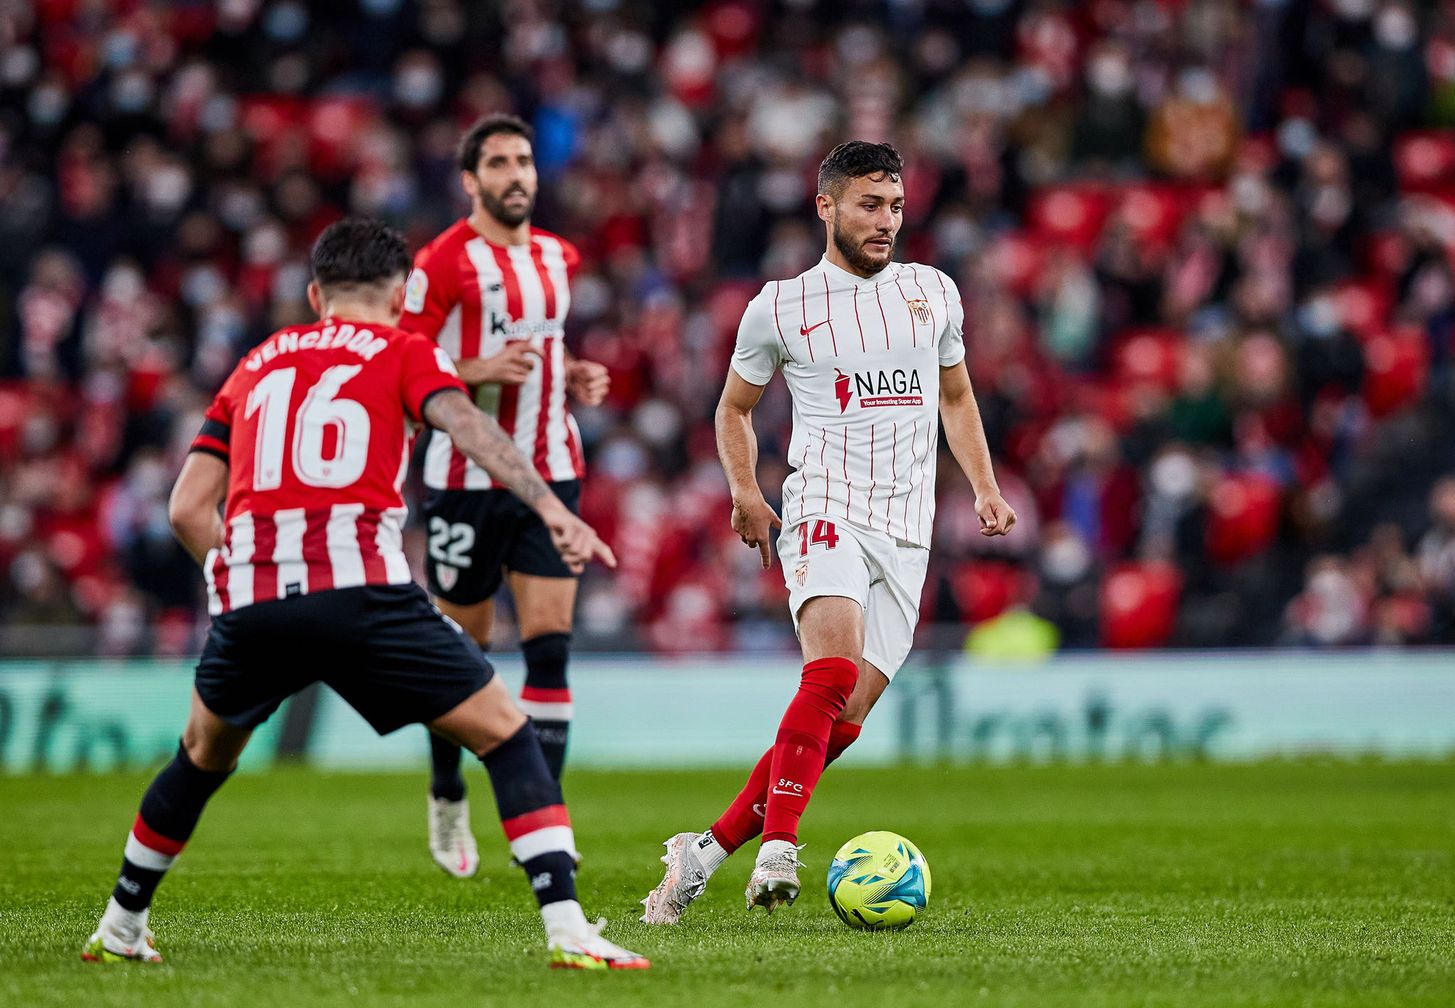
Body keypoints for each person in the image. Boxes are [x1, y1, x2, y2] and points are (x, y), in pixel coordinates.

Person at [80, 218, 648, 971]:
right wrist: (551, 508)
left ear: (316, 294)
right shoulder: (407, 350)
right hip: (361, 593)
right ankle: (569, 929)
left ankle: (121, 923)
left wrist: (242, 569)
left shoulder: (255, 363)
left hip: (254, 599)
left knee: (200, 757)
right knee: (508, 734)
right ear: (404, 292)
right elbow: (469, 428)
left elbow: (187, 508)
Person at [640, 141, 1017, 923]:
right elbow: (733, 409)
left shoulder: (933, 292)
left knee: (839, 725)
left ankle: (702, 852)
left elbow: (955, 397)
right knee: (832, 674)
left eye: (897, 207)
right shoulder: (779, 306)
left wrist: (984, 486)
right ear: (827, 206)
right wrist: (746, 490)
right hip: (824, 509)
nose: (887, 222)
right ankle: (778, 849)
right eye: (870, 206)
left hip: (907, 533)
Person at [399, 114, 609, 878]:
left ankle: (541, 822)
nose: (517, 174)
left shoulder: (559, 255)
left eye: (524, 161)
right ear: (470, 180)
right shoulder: (444, 261)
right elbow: (407, 354)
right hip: (463, 481)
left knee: (550, 646)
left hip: (551, 470)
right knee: (465, 654)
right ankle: (447, 787)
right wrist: (478, 366)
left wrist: (574, 372)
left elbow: (544, 343)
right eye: (499, 163)